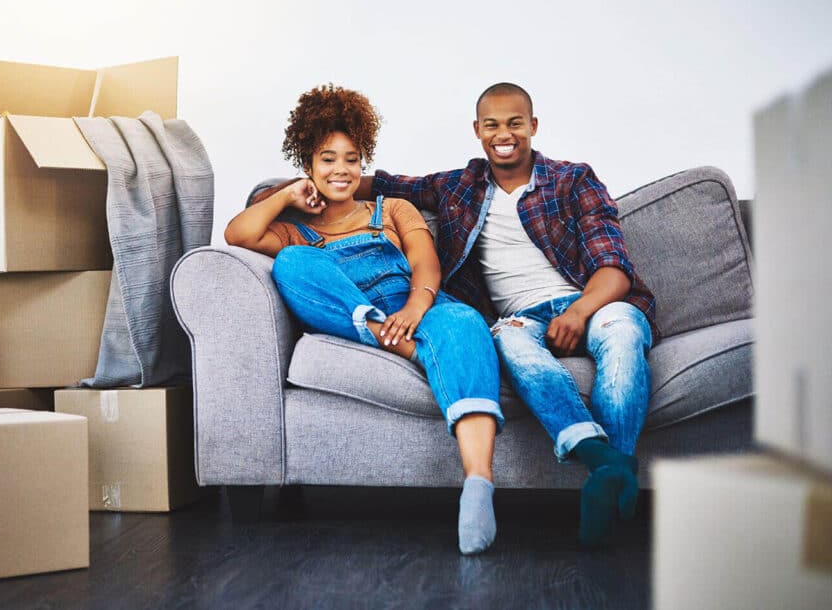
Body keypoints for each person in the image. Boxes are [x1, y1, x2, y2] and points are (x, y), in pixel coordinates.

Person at [258, 82, 656, 546]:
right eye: (492, 125)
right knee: (507, 343)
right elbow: (370, 182)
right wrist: (293, 190)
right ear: (477, 130)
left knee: (622, 332)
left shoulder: (573, 180)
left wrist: (583, 309)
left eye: (514, 123)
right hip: (516, 318)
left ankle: (612, 469)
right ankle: (601, 462)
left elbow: (614, 267)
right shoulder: (458, 187)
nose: (503, 134)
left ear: (533, 126)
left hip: (592, 302)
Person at [226, 84, 506, 555]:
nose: (341, 170)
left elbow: (425, 264)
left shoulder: (393, 208)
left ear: (363, 162)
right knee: (294, 263)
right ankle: (395, 342)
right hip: (352, 312)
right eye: (327, 159)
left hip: (414, 305)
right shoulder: (296, 229)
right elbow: (239, 234)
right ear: (309, 166)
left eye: (351, 159)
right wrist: (286, 194)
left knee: (466, 326)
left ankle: (478, 486)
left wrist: (417, 308)